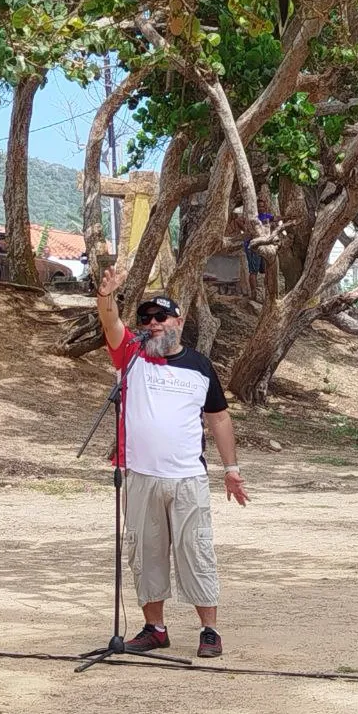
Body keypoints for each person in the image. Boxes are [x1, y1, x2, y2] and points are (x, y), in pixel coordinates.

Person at [96, 266, 248, 659]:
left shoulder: (199, 366)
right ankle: (155, 628)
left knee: (194, 550)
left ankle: (209, 630)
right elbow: (110, 322)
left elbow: (219, 418)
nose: (152, 324)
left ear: (179, 321)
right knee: (145, 552)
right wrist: (107, 296)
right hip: (142, 476)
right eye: (145, 319)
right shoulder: (131, 356)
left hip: (187, 478)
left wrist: (231, 471)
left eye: (160, 317)